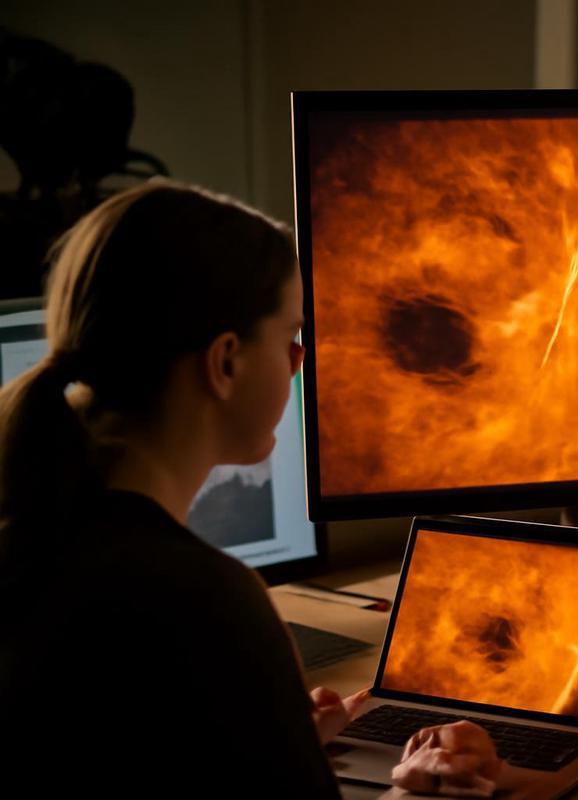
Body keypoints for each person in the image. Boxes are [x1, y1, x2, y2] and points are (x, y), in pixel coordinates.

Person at [0, 180, 366, 796]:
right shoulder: (208, 601)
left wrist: (270, 734)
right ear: (225, 362)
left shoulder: (31, 547)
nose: (300, 360)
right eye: (290, 338)